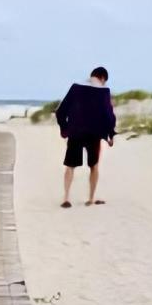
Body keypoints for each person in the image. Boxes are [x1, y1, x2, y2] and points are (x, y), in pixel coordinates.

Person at [55, 66, 116, 208]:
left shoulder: (76, 88)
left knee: (70, 165)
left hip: (75, 132)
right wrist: (110, 134)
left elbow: (60, 111)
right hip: (94, 134)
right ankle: (91, 198)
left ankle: (66, 198)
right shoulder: (104, 92)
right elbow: (108, 116)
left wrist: (64, 129)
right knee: (94, 166)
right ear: (102, 78)